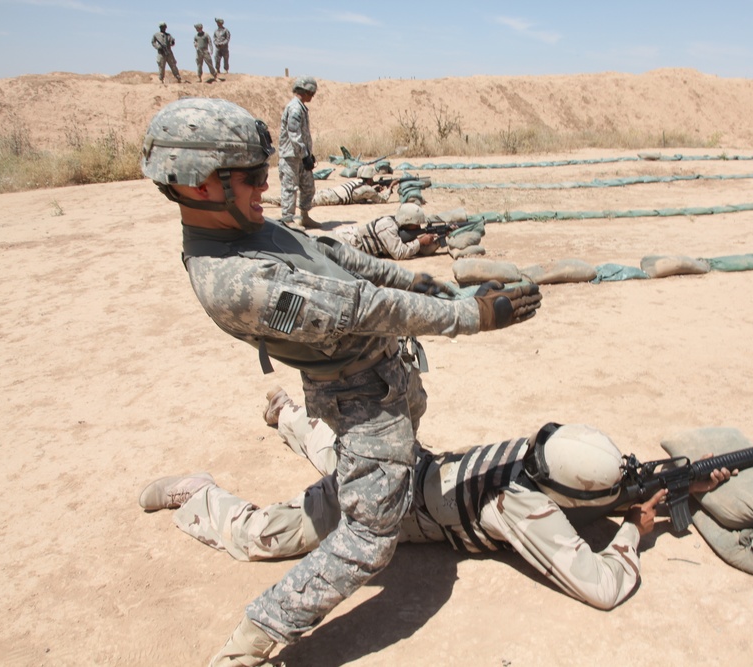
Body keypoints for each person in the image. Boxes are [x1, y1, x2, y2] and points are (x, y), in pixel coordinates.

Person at [139, 97, 542, 666]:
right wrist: (472, 315)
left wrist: (420, 283)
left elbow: (334, 257)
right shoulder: (232, 280)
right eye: (253, 177)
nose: (267, 187)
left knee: (349, 497)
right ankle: (249, 639)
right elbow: (360, 307)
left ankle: (289, 425)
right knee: (369, 539)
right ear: (202, 185)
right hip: (360, 400)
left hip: (381, 383)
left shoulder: (248, 228)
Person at [139, 390, 736, 615]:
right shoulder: (524, 510)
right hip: (385, 507)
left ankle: (290, 414)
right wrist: (635, 530)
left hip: (411, 465)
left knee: (342, 456)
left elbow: (608, 480)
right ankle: (202, 496)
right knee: (267, 537)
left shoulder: (548, 454)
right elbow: (604, 588)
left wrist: (684, 483)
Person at [333, 202, 440, 260]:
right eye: (416, 225)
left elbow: (413, 248)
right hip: (341, 241)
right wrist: (420, 241)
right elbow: (399, 253)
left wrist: (439, 238)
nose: (418, 228)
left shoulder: (399, 225)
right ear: (407, 221)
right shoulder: (388, 227)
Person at [279, 76, 319, 228]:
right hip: (291, 156)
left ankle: (304, 216)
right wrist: (304, 155)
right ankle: (288, 220)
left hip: (301, 156)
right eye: (311, 92)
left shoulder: (300, 107)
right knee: (290, 188)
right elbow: (294, 134)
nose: (312, 96)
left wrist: (307, 154)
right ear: (304, 91)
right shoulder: (295, 108)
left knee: (308, 187)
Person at [311, 165, 395, 206]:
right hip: (329, 198)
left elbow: (360, 195)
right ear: (369, 179)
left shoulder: (357, 182)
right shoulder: (366, 189)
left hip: (327, 192)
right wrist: (390, 187)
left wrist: (374, 190)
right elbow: (383, 200)